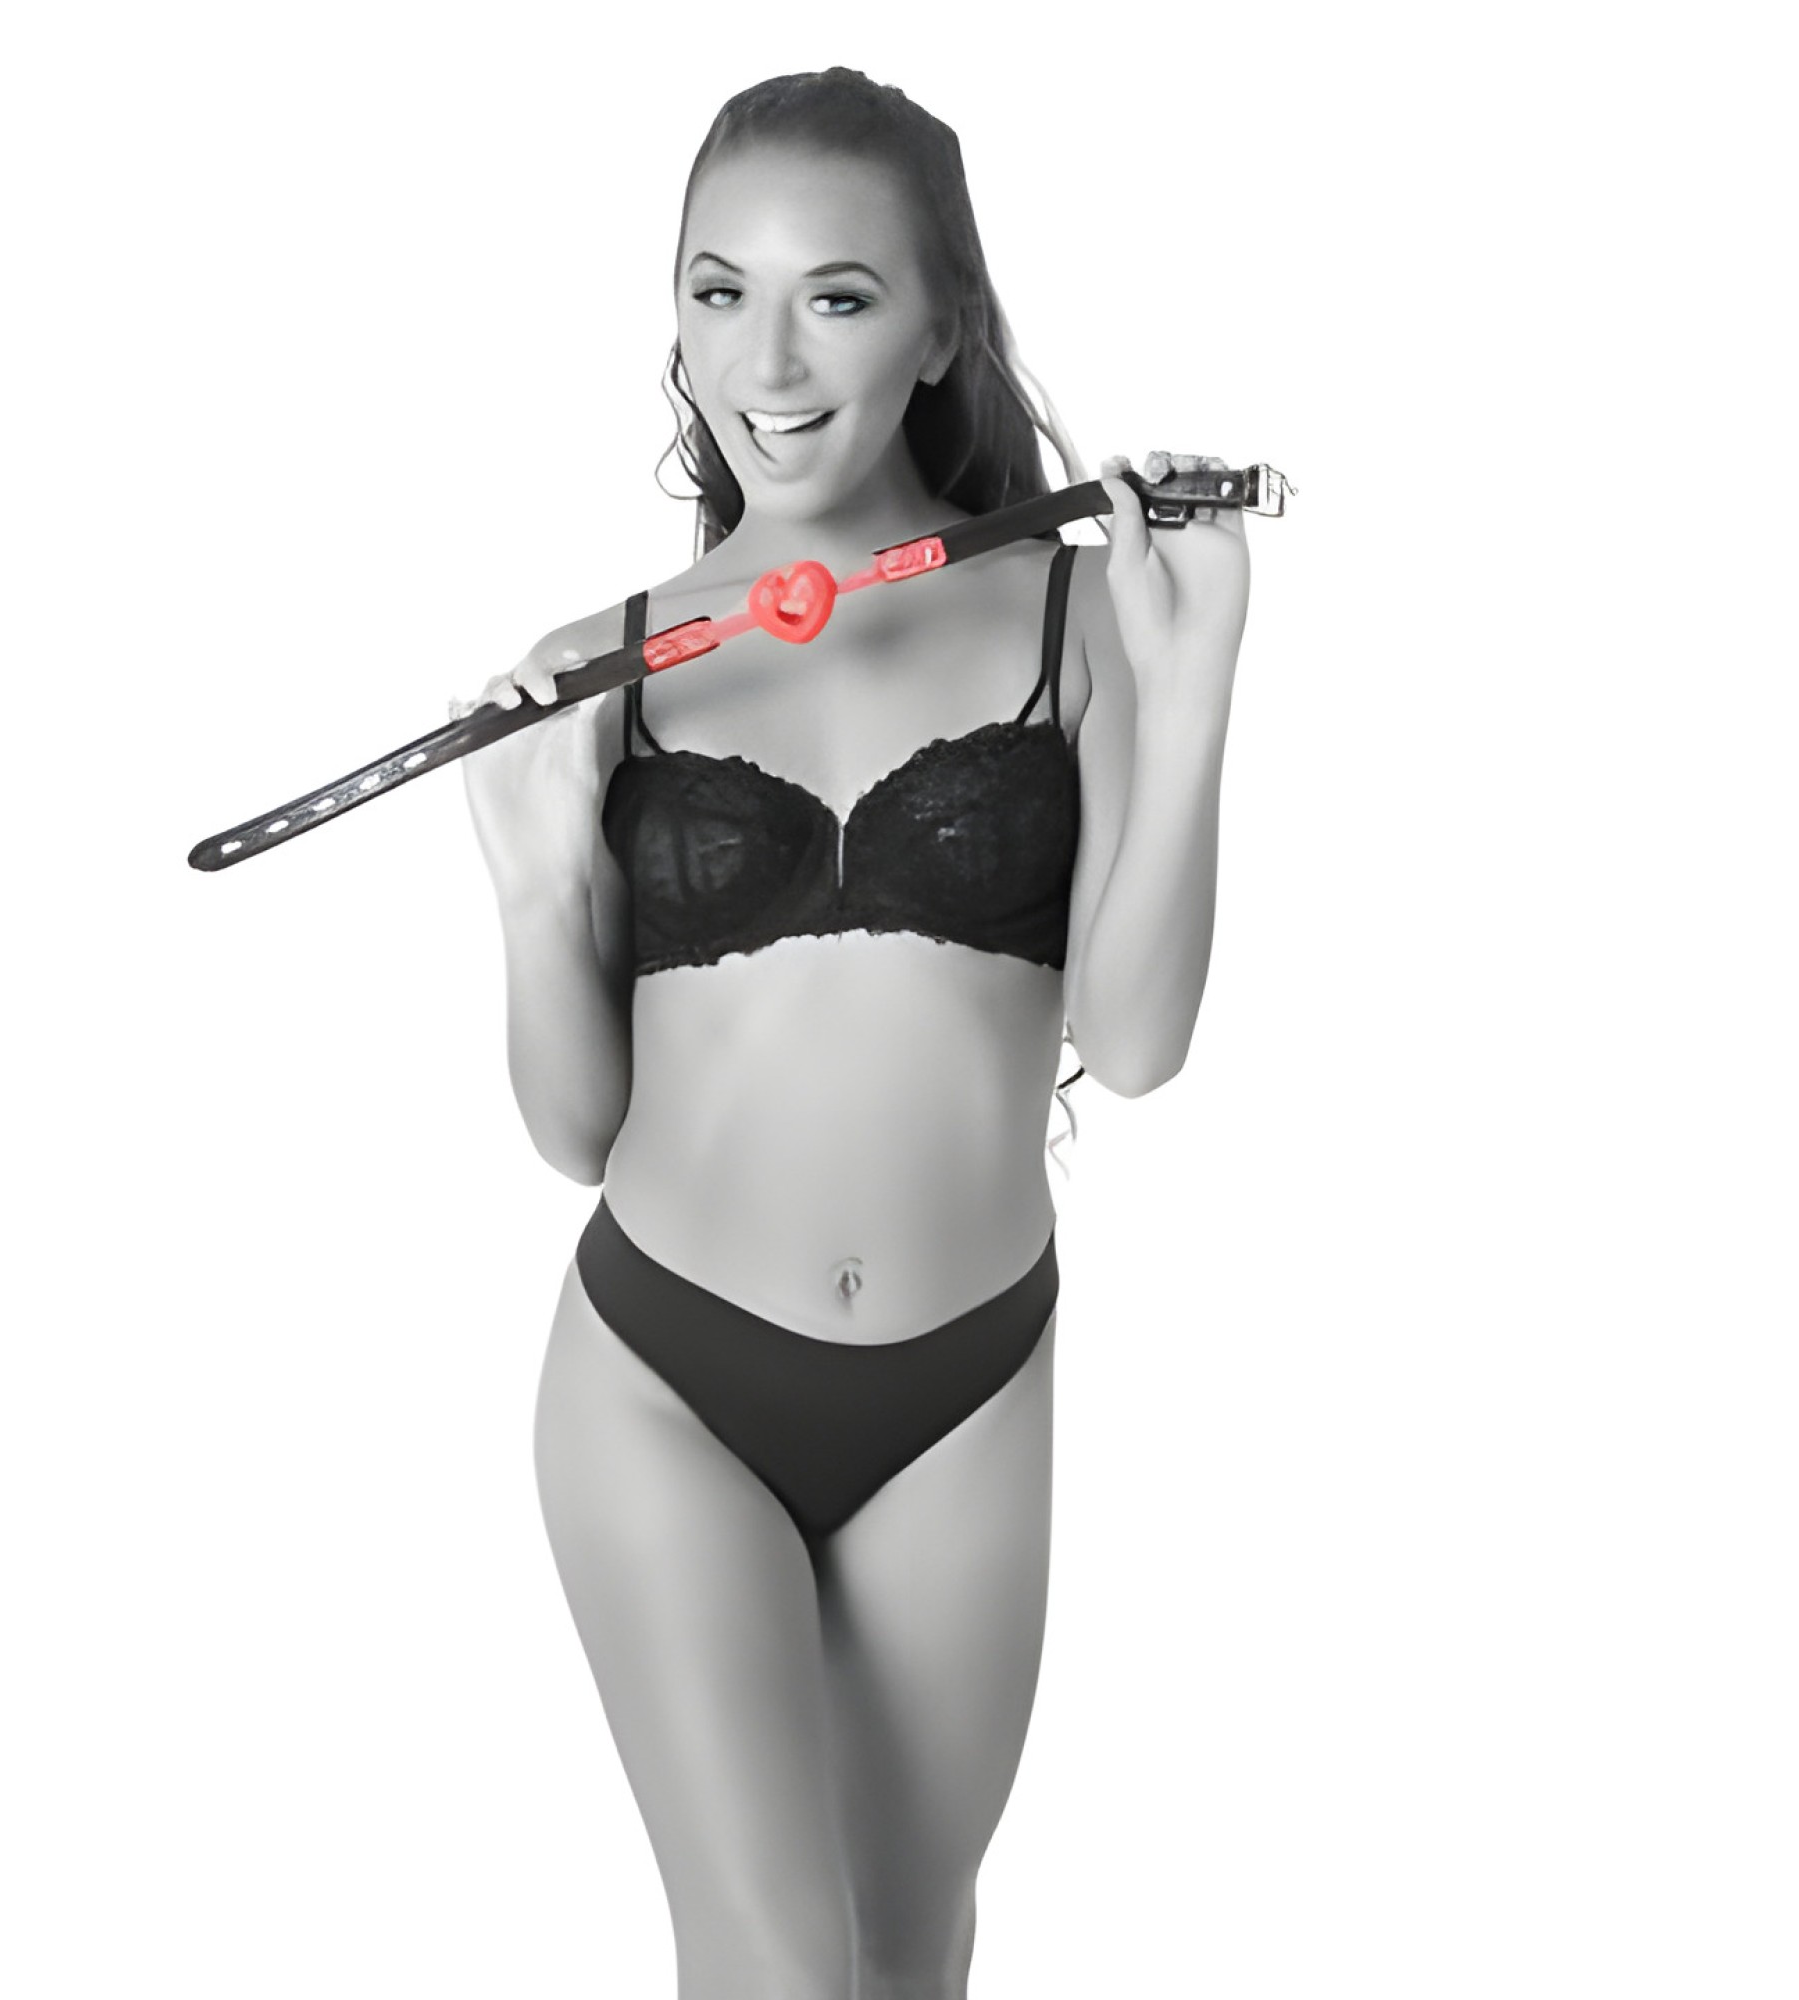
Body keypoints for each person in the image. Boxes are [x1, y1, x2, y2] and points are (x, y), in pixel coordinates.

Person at [459, 68, 1250, 2000]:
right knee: (775, 1966)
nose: (770, 360)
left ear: (941, 329)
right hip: (664, 1377)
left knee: (907, 1968)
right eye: (718, 292)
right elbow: (574, 1129)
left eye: (838, 296)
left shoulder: (1081, 618)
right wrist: (535, 880)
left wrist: (1194, 689)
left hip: (967, 1390)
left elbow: (1137, 1041)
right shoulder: (606, 666)